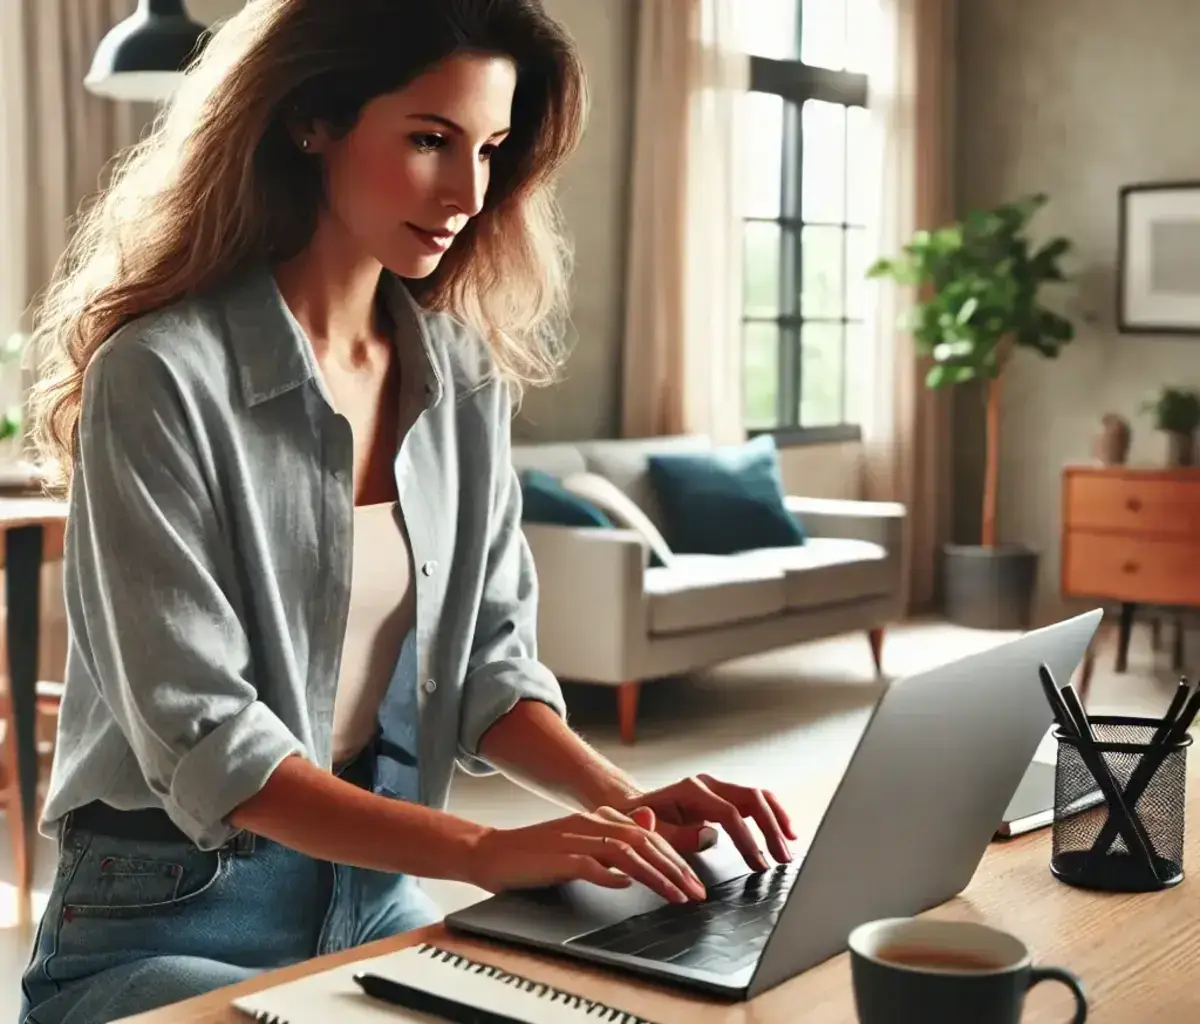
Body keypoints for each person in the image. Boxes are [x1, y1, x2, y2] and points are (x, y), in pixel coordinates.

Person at [18, 2, 796, 1021]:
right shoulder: (158, 375)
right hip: (167, 917)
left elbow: (487, 670)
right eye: (430, 139)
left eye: (491, 149)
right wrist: (484, 849)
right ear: (314, 120)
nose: (468, 192)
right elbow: (208, 739)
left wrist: (623, 802)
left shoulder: (461, 377)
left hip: (374, 893)